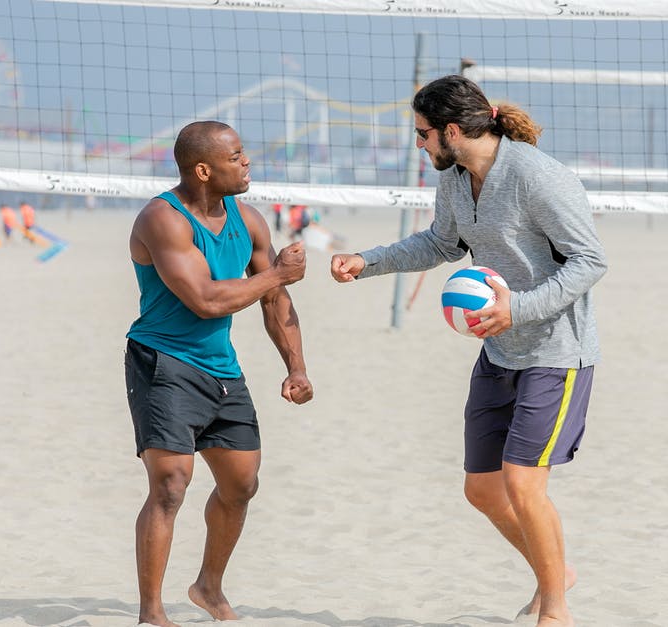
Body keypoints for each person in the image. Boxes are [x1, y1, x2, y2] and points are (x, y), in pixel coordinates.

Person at [329, 75, 606, 627]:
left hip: (556, 352)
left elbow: (590, 261)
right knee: (481, 489)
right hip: (498, 351)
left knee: (523, 484)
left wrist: (518, 309)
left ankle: (555, 609)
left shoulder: (538, 177)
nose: (419, 144)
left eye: (423, 133)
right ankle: (557, 571)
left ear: (452, 130)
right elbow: (440, 243)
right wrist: (369, 260)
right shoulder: (456, 179)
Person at [124, 120, 312, 627]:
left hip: (221, 368)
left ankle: (207, 586)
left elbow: (273, 297)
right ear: (204, 169)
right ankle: (152, 614)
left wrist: (296, 367)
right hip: (163, 361)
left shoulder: (248, 220)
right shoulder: (163, 220)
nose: (247, 161)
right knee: (170, 484)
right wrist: (277, 272)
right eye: (237, 156)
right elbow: (206, 300)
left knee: (241, 485)